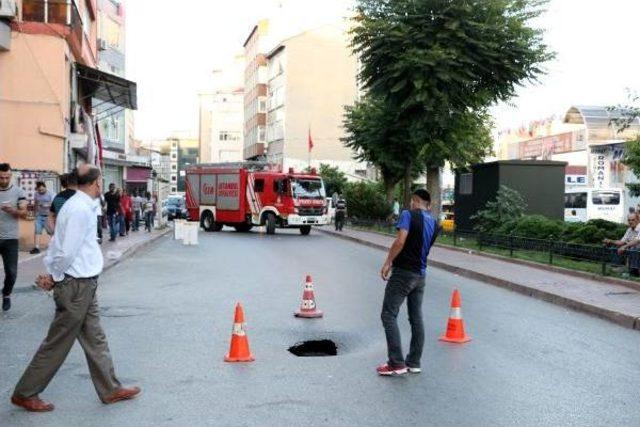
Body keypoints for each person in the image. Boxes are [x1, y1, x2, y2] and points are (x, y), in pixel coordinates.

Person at [11, 164, 141, 412]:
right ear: (96, 183)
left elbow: (61, 243)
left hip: (85, 283)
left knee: (95, 338)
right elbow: (66, 250)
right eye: (100, 181)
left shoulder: (80, 205)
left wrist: (56, 274)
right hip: (76, 285)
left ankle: (110, 389)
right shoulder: (79, 209)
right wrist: (56, 277)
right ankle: (25, 392)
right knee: (57, 342)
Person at [377, 189, 438, 376]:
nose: (410, 204)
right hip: (421, 275)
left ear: (415, 201)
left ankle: (396, 363)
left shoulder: (407, 215)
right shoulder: (434, 223)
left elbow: (400, 241)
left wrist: (388, 262)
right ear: (428, 205)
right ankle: (414, 362)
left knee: (388, 315)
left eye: (412, 201)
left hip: (403, 273)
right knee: (416, 318)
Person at [0, 163, 28, 311]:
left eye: (6, 177)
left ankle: (6, 294)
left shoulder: (19, 192)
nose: (4, 180)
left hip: (10, 238)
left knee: (11, 271)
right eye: (1, 177)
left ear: (10, 176)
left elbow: (24, 213)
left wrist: (13, 211)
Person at [30, 181, 54, 254]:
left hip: (48, 216)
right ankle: (36, 247)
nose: (41, 191)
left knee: (51, 232)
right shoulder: (36, 194)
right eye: (39, 190)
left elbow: (54, 204)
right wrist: (34, 214)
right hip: (39, 216)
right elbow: (36, 203)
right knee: (37, 231)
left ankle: (54, 246)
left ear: (45, 187)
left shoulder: (51, 194)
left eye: (42, 190)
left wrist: (46, 205)